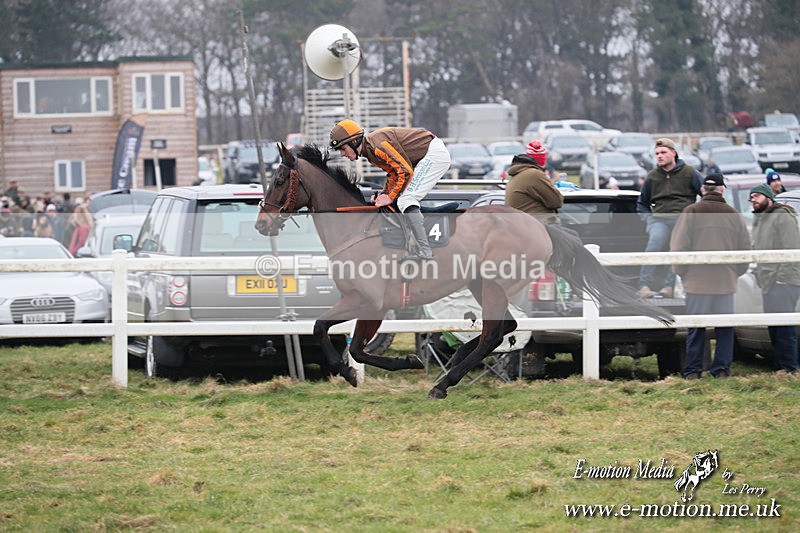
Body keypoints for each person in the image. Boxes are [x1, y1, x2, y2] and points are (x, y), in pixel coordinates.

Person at [329, 119, 451, 259]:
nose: (342, 154)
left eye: (343, 149)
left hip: (434, 154)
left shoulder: (377, 146)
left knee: (406, 199)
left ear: (354, 141)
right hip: (425, 155)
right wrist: (384, 194)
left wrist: (390, 197)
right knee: (399, 198)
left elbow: (405, 171)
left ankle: (425, 250)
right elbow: (393, 173)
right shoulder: (370, 153)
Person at [670, 173, 751, 379]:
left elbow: (678, 248)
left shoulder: (692, 211)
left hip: (696, 283)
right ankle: (722, 369)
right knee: (725, 330)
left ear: (703, 189)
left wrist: (683, 274)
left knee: (696, 329)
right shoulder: (734, 214)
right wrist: (734, 272)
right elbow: (745, 250)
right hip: (725, 282)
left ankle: (693, 370)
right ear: (722, 189)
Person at [636, 137, 703, 298]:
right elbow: (642, 203)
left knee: (677, 250)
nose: (659, 156)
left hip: (683, 220)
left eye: (663, 152)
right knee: (654, 245)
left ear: (673, 153)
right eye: (657, 153)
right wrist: (649, 219)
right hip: (659, 219)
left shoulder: (690, 172)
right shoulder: (652, 176)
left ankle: (669, 286)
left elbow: (706, 195)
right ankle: (643, 285)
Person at [749, 183, 800, 372]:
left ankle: (789, 368)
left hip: (783, 281)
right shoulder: (760, 219)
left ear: (768, 197)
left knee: (785, 329)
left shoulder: (782, 216)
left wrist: (782, 278)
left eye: (756, 196)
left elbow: (792, 248)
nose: (753, 200)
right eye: (751, 197)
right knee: (774, 328)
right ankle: (780, 366)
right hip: (767, 280)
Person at [504, 140, 564, 224]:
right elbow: (556, 202)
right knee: (573, 235)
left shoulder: (518, 174)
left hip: (522, 224)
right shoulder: (534, 174)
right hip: (537, 225)